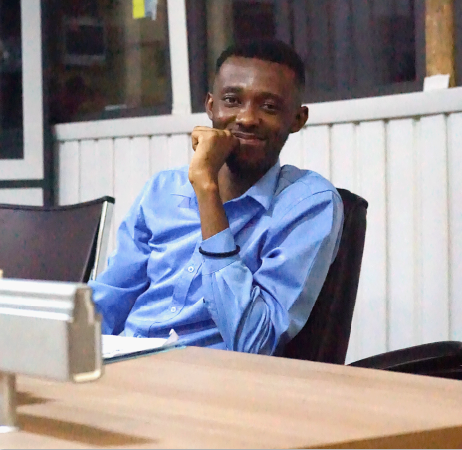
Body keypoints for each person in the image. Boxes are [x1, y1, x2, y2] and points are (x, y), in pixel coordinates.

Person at [90, 40, 344, 355]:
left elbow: (254, 344)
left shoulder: (308, 203)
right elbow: (110, 298)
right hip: (124, 365)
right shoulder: (162, 190)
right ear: (211, 107)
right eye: (232, 100)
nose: (247, 118)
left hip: (211, 378)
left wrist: (206, 188)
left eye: (269, 106)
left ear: (297, 119)